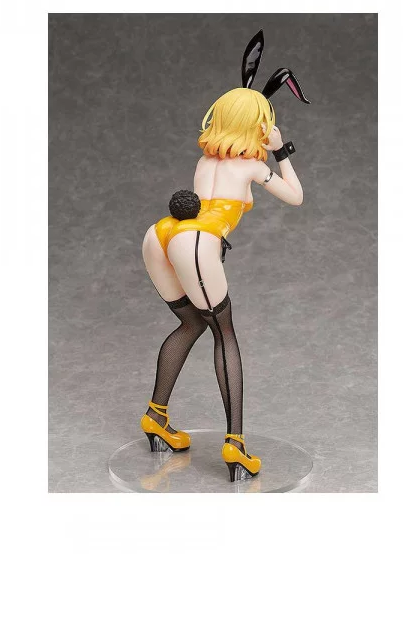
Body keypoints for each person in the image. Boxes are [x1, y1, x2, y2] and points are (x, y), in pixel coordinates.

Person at [140, 31, 308, 482]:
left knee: (191, 323)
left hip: (160, 235)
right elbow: (295, 196)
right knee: (224, 334)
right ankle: (236, 445)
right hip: (196, 244)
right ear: (257, 124)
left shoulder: (205, 162)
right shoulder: (252, 165)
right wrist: (280, 149)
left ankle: (155, 417)